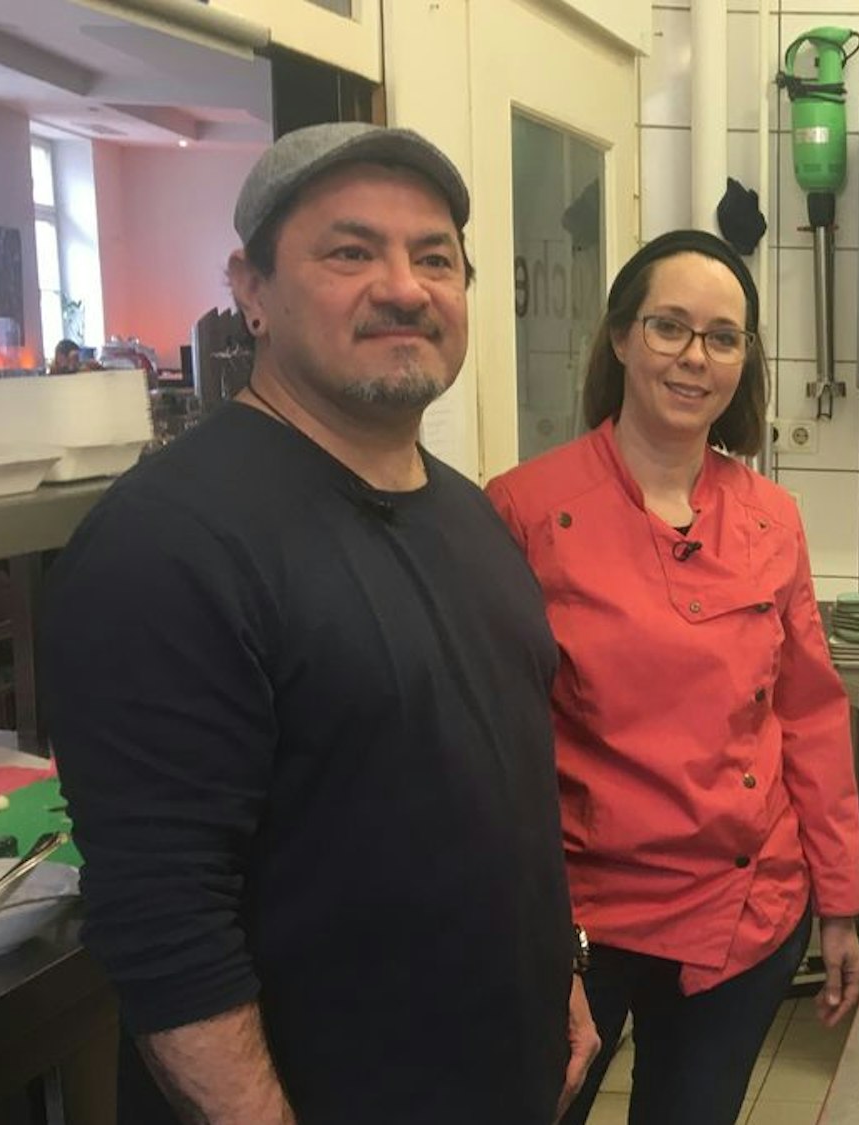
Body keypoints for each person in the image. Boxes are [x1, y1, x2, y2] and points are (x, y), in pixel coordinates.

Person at [42, 123, 597, 1125]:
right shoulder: (168, 545)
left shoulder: (469, 515)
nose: (403, 287)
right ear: (250, 290)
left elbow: (495, 801)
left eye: (434, 257)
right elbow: (166, 924)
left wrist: (559, 971)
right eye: (350, 252)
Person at [487, 229, 859, 1125]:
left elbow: (809, 715)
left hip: (745, 907)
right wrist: (527, 930)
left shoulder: (772, 517)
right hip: (581, 918)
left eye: (723, 336)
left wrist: (841, 904)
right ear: (620, 336)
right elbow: (500, 747)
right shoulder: (524, 509)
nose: (696, 357)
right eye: (670, 327)